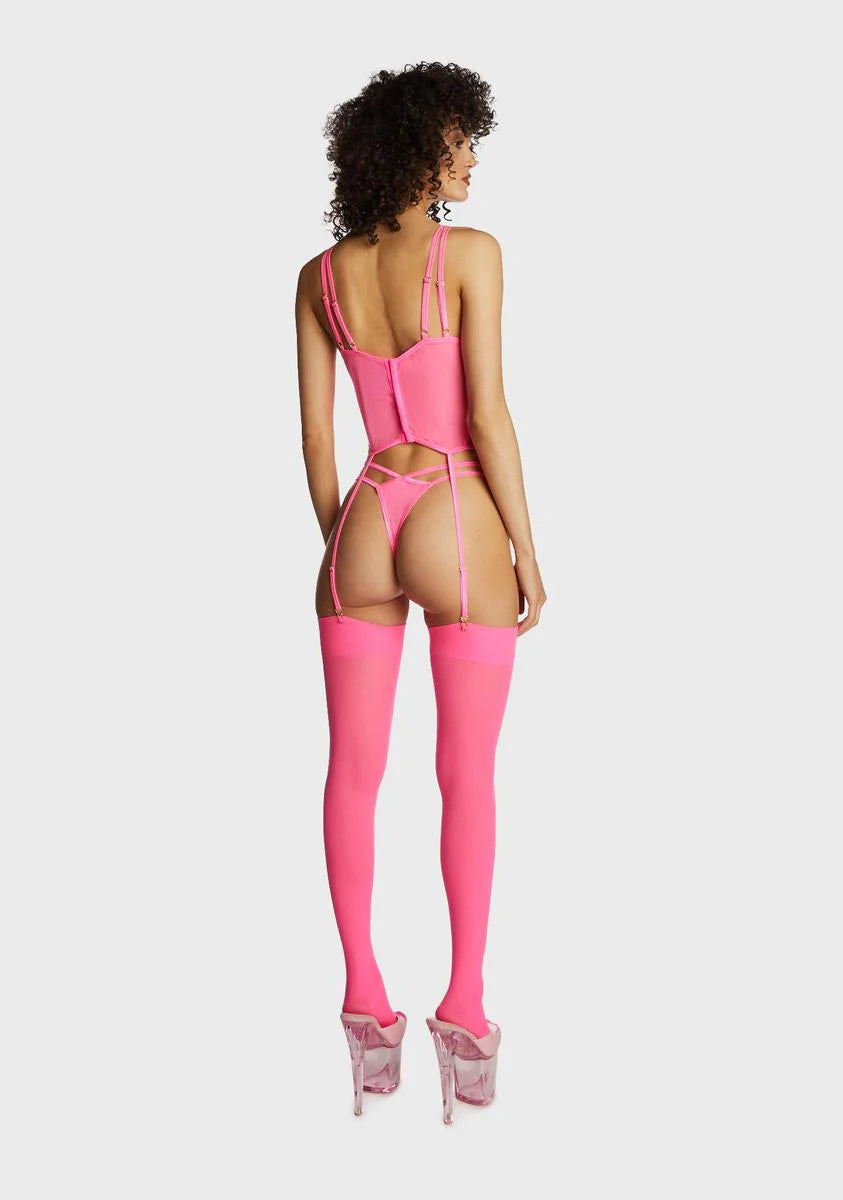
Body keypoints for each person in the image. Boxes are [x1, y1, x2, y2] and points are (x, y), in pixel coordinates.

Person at [295, 62, 547, 1122]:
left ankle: (364, 1005)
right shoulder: (469, 254)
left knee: (351, 775)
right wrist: (525, 549)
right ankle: (465, 1012)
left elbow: (318, 441)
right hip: (456, 507)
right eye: (461, 141)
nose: (472, 159)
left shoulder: (321, 275)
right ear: (421, 148)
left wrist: (349, 546)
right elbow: (485, 416)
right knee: (465, 775)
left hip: (364, 513)